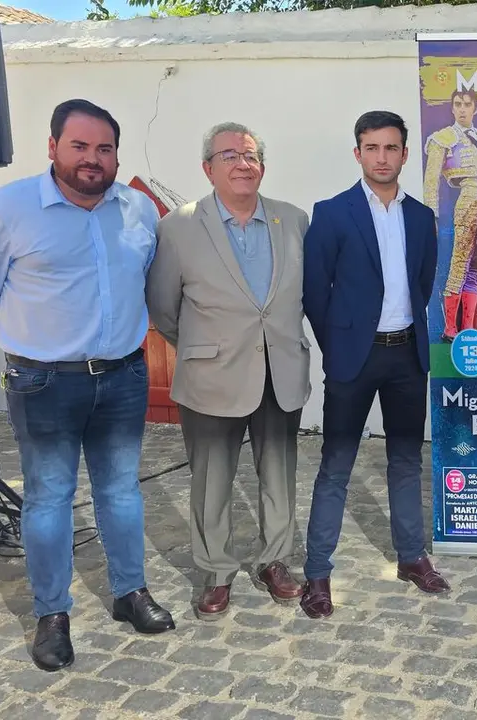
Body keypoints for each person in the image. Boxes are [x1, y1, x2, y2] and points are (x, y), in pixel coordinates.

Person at [0, 99, 175, 672]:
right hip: (43, 381)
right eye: (79, 146)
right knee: (50, 496)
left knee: (121, 491)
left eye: (104, 148)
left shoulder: (137, 210)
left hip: (124, 374)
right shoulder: (4, 210)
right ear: (52, 146)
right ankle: (52, 613)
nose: (92, 159)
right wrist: (15, 340)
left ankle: (130, 592)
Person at [146, 122, 311, 621]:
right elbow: (163, 307)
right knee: (212, 479)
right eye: (230, 156)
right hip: (211, 376)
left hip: (279, 370)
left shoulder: (294, 220)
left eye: (251, 155)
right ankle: (216, 571)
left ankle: (274, 560)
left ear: (263, 166)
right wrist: (204, 348)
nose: (243, 163)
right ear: (208, 168)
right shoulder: (178, 227)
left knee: (278, 474)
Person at [300, 110, 446, 619]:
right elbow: (315, 292)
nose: (382, 157)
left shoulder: (421, 217)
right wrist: (339, 345)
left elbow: (422, 284)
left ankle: (411, 557)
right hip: (353, 359)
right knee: (335, 466)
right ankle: (317, 573)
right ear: (358, 153)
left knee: (405, 461)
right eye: (372, 148)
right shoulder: (332, 213)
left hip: (407, 355)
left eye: (391, 148)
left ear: (404, 154)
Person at [422, 89, 477, 341]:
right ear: (452, 108)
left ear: (475, 109)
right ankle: (450, 328)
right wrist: (431, 215)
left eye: (467, 104)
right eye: (457, 104)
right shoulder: (442, 138)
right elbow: (431, 180)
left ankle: (467, 327)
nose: (461, 109)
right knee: (459, 263)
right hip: (469, 199)